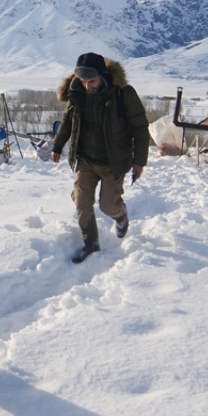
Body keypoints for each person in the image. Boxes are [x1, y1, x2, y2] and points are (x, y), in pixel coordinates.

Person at [50, 52, 150, 264]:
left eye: (92, 81)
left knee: (107, 206)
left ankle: (121, 216)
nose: (87, 86)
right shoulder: (76, 93)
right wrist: (58, 145)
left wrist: (139, 160)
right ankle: (91, 243)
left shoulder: (123, 94)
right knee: (81, 202)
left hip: (114, 162)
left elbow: (140, 128)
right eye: (83, 81)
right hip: (86, 160)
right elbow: (67, 121)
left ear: (103, 76)